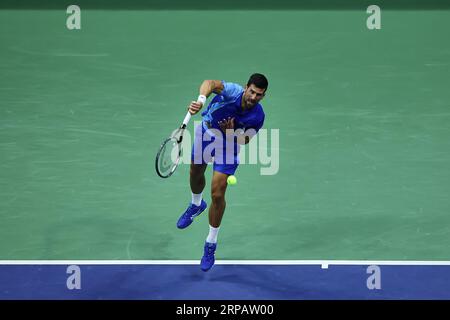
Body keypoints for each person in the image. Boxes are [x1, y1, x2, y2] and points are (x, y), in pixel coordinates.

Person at [177, 73, 268, 271]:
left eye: (259, 95)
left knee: (218, 193)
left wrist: (230, 134)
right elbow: (209, 83)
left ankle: (210, 244)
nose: (253, 97)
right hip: (206, 133)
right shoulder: (233, 92)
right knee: (195, 172)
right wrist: (201, 101)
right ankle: (196, 204)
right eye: (252, 92)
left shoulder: (258, 116)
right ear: (246, 87)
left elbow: (246, 140)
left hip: (229, 145)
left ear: (263, 96)